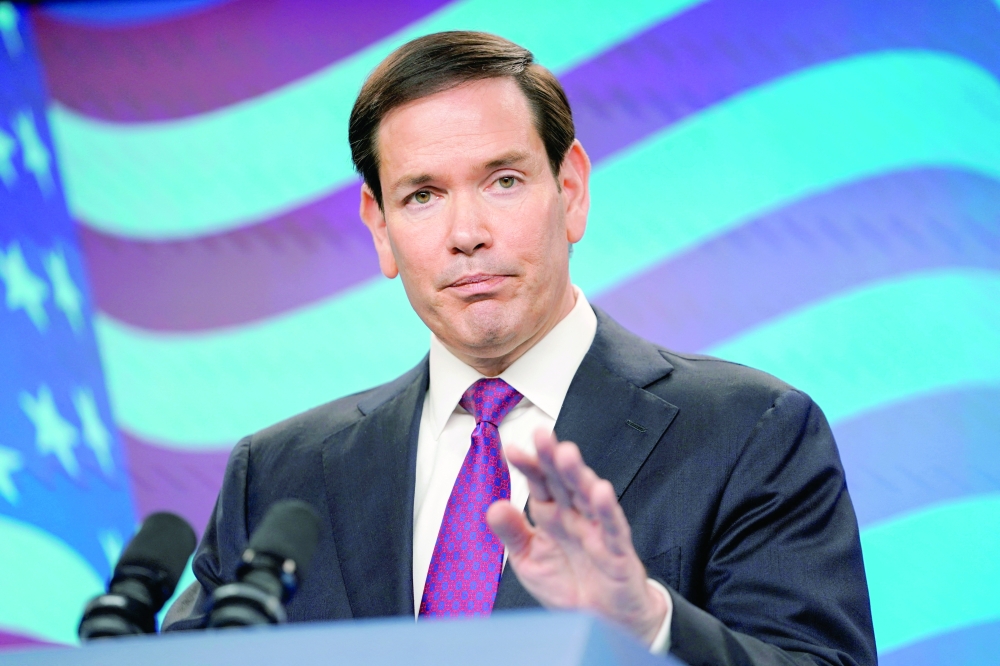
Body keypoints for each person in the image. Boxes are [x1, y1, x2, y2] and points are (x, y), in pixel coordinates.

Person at [164, 31, 876, 665]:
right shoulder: (279, 475)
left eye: (503, 181)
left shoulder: (750, 430)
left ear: (570, 191)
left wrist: (651, 624)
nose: (465, 232)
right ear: (378, 227)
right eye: (421, 196)